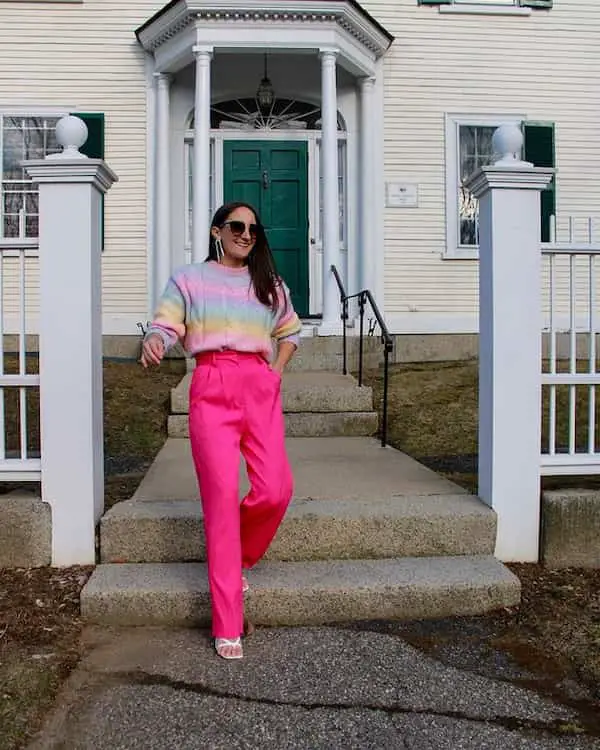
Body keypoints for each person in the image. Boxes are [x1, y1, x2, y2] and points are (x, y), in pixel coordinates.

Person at [140, 202, 301, 660]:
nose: (246, 234)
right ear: (217, 231)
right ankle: (227, 622)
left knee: (276, 489)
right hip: (211, 383)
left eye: (253, 228)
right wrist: (155, 340)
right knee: (220, 501)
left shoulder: (268, 283)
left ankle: (240, 556)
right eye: (237, 226)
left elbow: (290, 332)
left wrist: (276, 371)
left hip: (257, 383)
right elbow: (165, 325)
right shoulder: (190, 278)